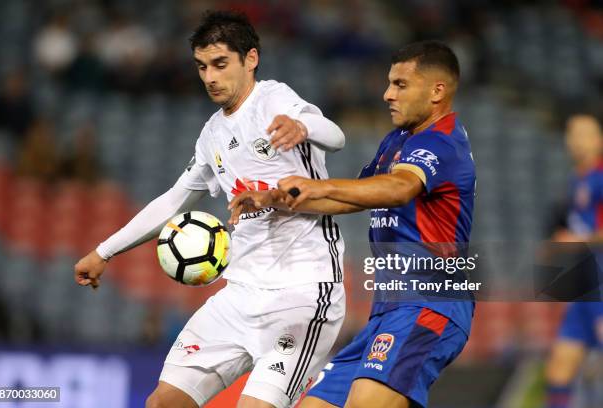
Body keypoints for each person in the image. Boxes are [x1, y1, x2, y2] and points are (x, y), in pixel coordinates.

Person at [74, 11, 347, 408]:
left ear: (250, 59)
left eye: (220, 64)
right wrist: (104, 251)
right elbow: (173, 200)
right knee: (162, 403)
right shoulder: (212, 134)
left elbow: (335, 136)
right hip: (239, 294)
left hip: (304, 292)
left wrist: (304, 127)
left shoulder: (273, 99)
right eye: (202, 67)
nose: (209, 77)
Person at [230, 41, 476, 408]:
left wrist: (319, 185)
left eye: (400, 85)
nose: (387, 94)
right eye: (389, 83)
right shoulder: (398, 140)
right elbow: (353, 196)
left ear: (437, 91)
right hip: (387, 312)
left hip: (430, 304)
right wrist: (276, 201)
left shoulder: (443, 143)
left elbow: (398, 189)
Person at [545, 115, 603, 408]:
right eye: (570, 133)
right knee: (559, 368)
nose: (574, 140)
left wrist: (576, 241)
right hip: (585, 288)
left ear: (598, 140)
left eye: (582, 133)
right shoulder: (576, 178)